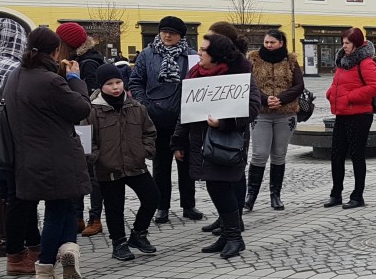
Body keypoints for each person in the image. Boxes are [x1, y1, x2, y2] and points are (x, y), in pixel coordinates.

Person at [3, 28, 91, 279]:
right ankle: (45, 267)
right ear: (55, 52)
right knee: (57, 209)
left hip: (27, 156)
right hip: (57, 156)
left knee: (65, 207)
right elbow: (81, 108)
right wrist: (75, 79)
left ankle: (68, 256)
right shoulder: (50, 81)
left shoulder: (16, 76)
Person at [173, 33, 260, 258]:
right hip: (199, 141)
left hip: (226, 142)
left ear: (216, 55)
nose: (199, 53)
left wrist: (224, 123)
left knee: (222, 187)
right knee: (216, 187)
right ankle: (228, 235)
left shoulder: (239, 75)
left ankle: (234, 237)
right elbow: (186, 112)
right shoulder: (195, 74)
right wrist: (178, 141)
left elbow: (252, 108)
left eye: (204, 50)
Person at [128, 16, 205, 224]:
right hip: (155, 118)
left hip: (184, 118)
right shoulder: (147, 54)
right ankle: (162, 207)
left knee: (186, 164)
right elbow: (136, 82)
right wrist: (144, 106)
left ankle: (188, 205)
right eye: (164, 31)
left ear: (182, 35)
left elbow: (198, 84)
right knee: (161, 166)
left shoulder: (191, 56)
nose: (167, 35)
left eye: (172, 32)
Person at [84, 64, 160, 262]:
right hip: (108, 168)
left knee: (152, 197)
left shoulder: (136, 107)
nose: (116, 87)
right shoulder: (92, 110)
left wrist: (146, 150)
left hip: (135, 164)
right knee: (114, 207)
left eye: (118, 82)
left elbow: (149, 132)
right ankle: (119, 243)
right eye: (109, 84)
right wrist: (96, 158)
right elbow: (84, 140)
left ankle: (139, 234)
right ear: (101, 86)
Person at [0, 17, 33, 263]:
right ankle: (14, 240)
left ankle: (1, 239)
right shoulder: (15, 68)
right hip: (11, 135)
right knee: (14, 191)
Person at [245, 29, 304, 212]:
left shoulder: (291, 60)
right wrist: (264, 99)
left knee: (279, 154)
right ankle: (251, 196)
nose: (268, 45)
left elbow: (299, 85)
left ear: (281, 43)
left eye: (272, 42)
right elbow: (248, 83)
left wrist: (281, 98)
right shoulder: (253, 59)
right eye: (266, 42)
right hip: (261, 112)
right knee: (259, 153)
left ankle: (275, 195)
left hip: (285, 113)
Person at [324, 28, 376, 209]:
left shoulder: (365, 62)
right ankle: (336, 193)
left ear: (356, 44)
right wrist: (330, 93)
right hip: (342, 113)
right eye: (343, 42)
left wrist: (349, 97)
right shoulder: (343, 62)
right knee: (337, 155)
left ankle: (358, 196)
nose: (344, 46)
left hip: (359, 115)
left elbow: (375, 87)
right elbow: (336, 83)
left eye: (347, 43)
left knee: (357, 155)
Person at [57, 22, 106, 239]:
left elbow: (92, 95)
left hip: (88, 122)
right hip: (77, 121)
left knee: (91, 172)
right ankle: (78, 217)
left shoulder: (87, 63)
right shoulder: (75, 60)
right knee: (78, 170)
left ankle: (94, 218)